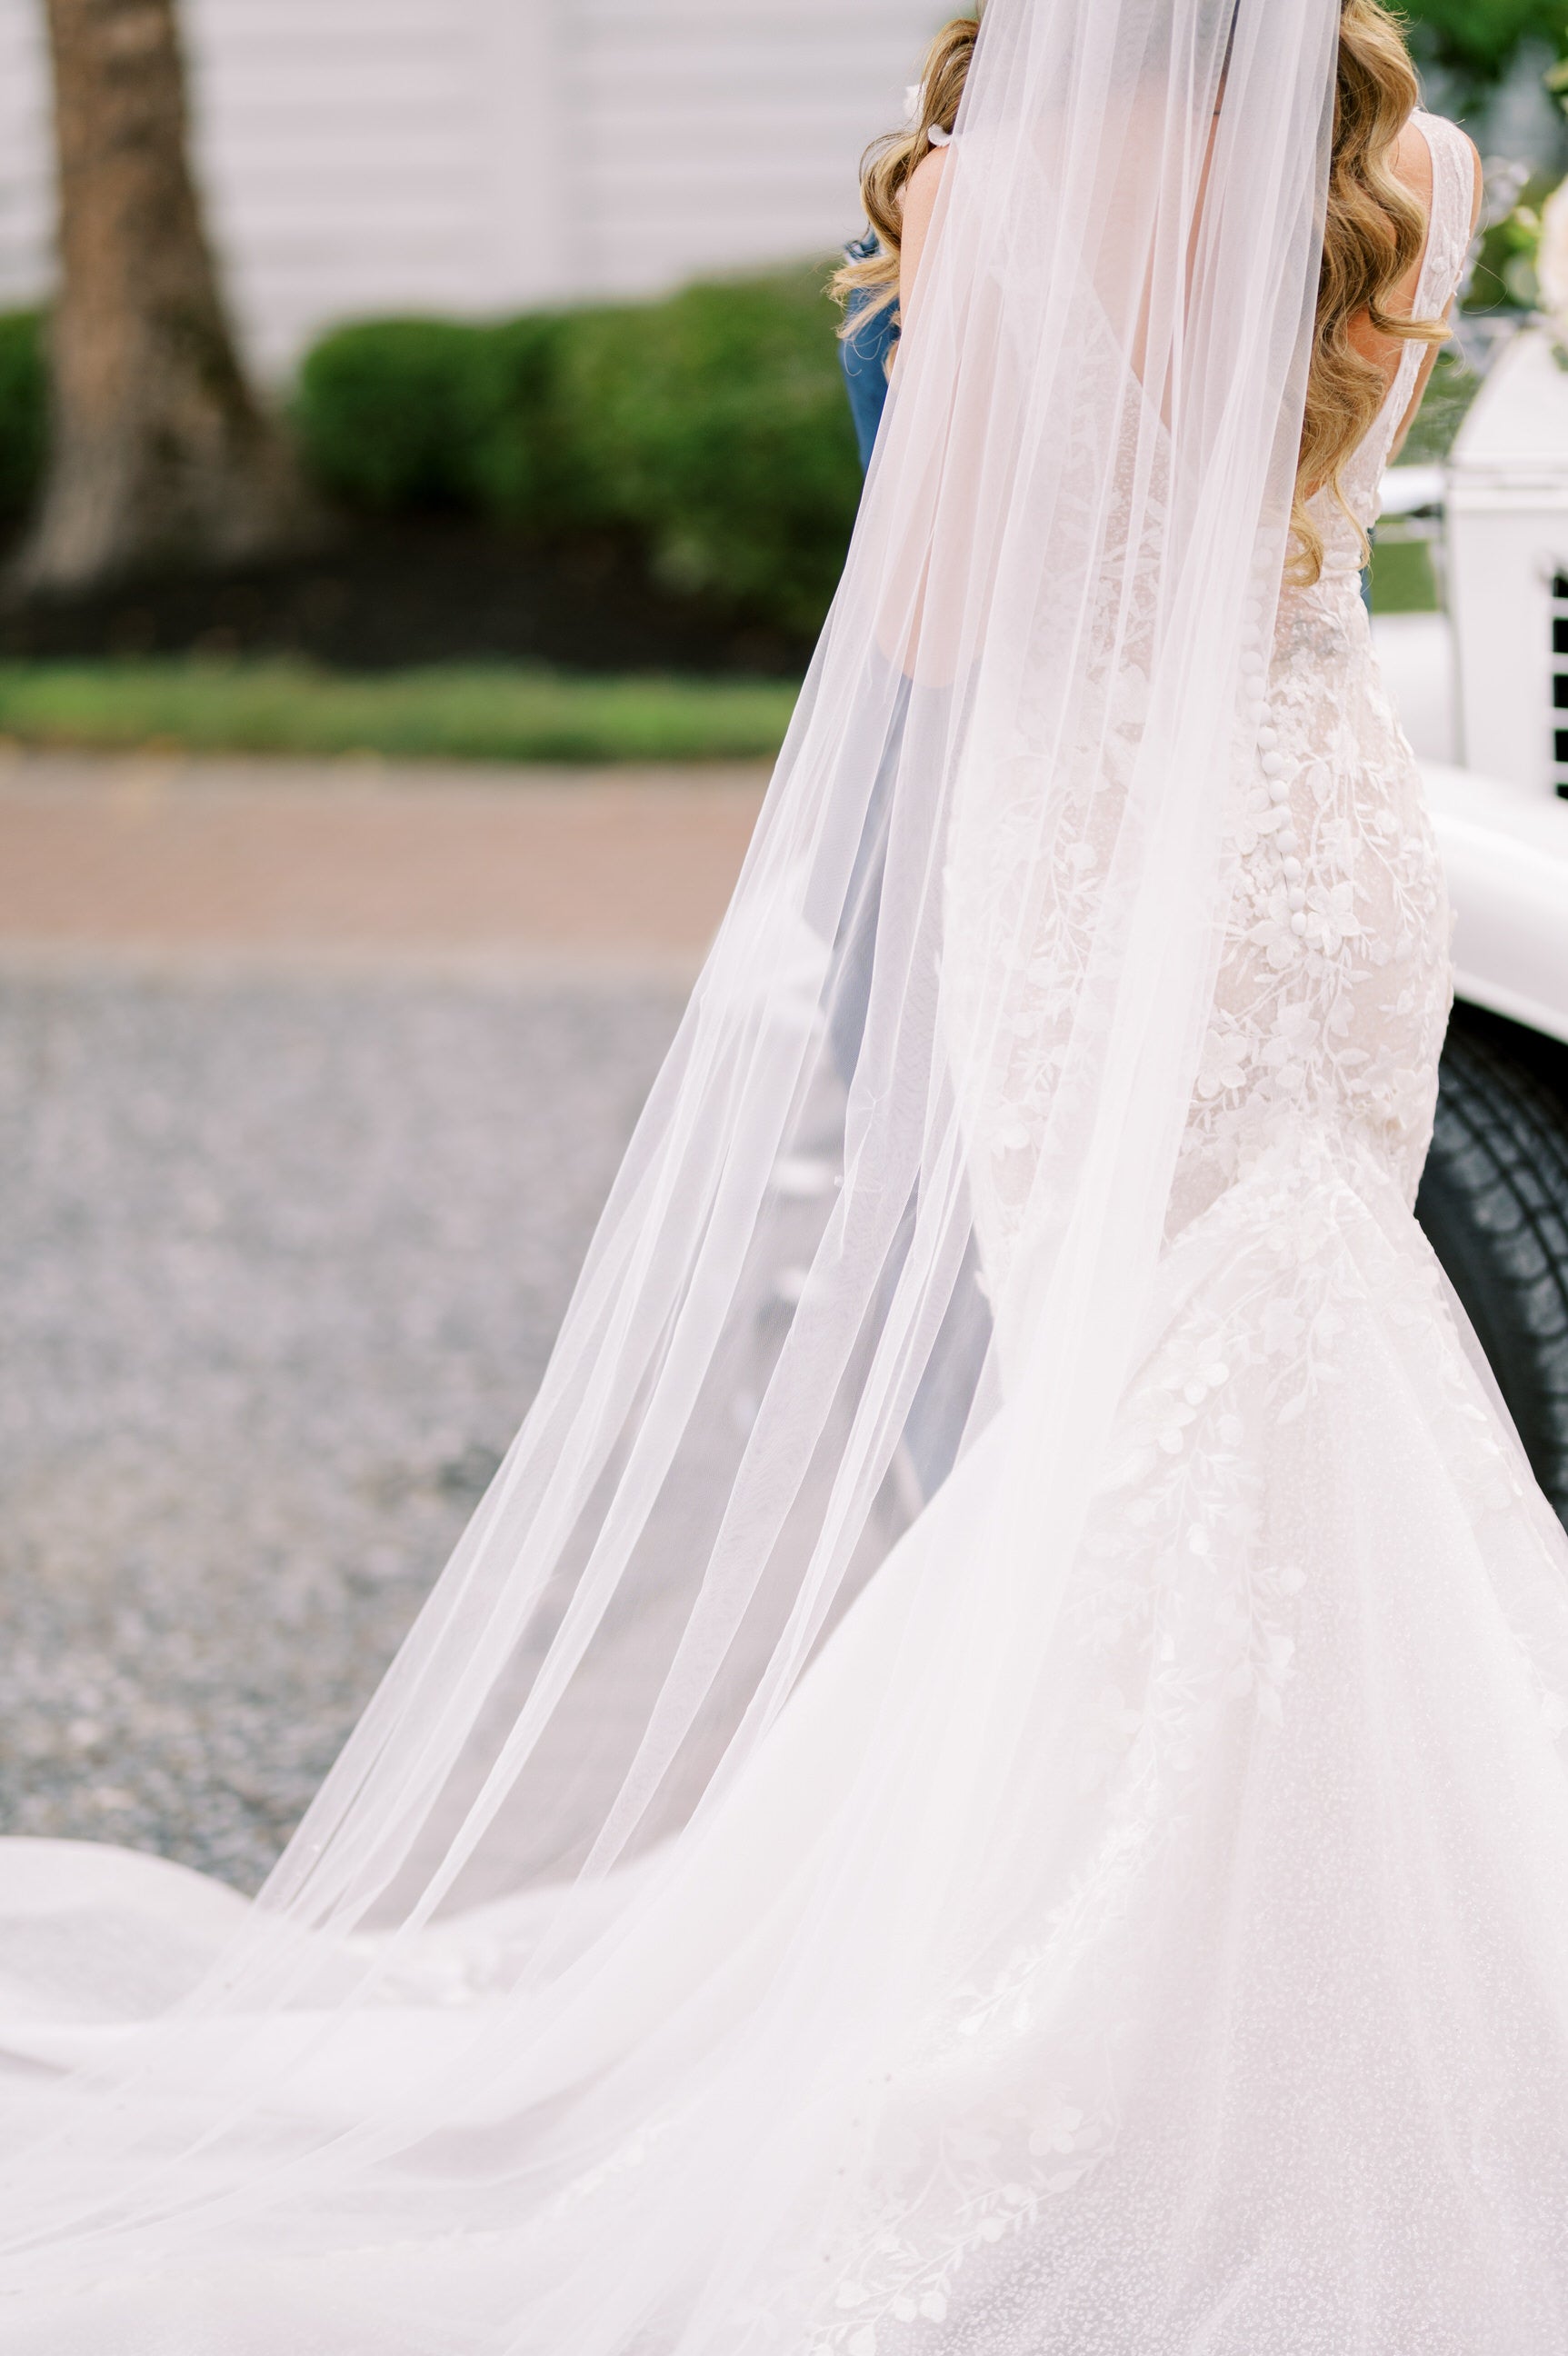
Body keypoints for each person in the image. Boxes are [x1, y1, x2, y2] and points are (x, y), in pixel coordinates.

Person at [6, 4, 1566, 2350]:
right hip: (1332, 850)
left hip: (1094, 844)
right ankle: (1381, 1989)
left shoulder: (990, 197)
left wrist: (949, 316)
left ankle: (1110, 2017)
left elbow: (936, 629)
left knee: (1123, 1406)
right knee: (1309, 1343)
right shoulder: (1416, 168)